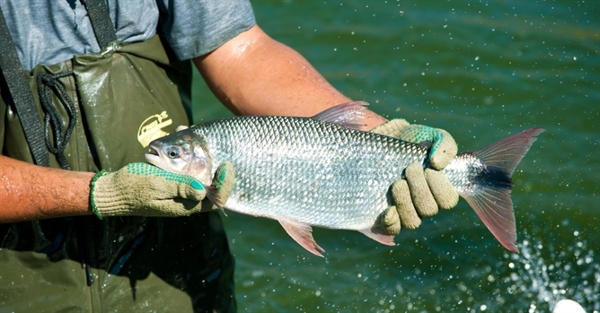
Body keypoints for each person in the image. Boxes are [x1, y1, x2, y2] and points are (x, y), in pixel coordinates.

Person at [0, 1, 458, 311]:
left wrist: (386, 137)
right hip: (21, 287)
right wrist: (103, 193)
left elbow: (240, 51)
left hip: (177, 273)